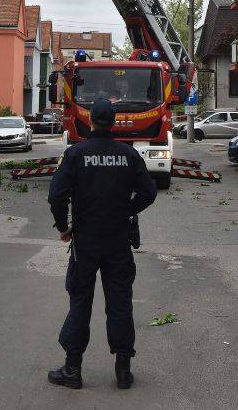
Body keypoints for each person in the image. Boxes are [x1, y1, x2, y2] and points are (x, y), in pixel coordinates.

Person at [47, 98, 158, 390]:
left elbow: (56, 196)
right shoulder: (129, 155)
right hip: (118, 240)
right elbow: (148, 192)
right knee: (120, 302)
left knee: (80, 301)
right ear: (114, 123)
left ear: (91, 121)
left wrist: (64, 228)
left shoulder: (76, 153)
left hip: (86, 241)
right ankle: (123, 371)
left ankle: (73, 370)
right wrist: (127, 210)